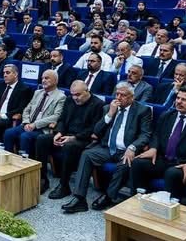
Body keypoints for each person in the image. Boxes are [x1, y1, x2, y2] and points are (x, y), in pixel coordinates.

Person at [63, 82, 153, 213]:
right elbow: (96, 131)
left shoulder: (142, 110)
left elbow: (145, 134)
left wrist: (133, 147)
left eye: (123, 95)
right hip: (107, 148)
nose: (119, 97)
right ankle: (79, 198)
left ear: (132, 97)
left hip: (126, 150)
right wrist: (110, 114)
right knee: (87, 155)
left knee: (125, 163)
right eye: (117, 94)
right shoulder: (108, 108)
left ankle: (108, 196)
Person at [130, 87, 186, 202]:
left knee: (171, 173)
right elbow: (156, 135)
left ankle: (169, 208)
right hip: (164, 160)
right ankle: (138, 200)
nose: (179, 102)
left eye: (184, 100)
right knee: (138, 163)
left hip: (184, 164)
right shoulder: (167, 115)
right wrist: (154, 148)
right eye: (178, 98)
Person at [37, 81, 105, 198]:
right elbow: (62, 119)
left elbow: (94, 128)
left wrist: (74, 138)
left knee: (69, 146)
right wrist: (59, 133)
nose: (75, 98)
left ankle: (64, 186)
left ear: (87, 91)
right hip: (66, 134)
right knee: (42, 139)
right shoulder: (69, 100)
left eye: (78, 95)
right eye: (73, 94)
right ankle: (42, 178)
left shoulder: (98, 104)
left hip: (84, 139)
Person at [3, 69, 65, 156]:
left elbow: (56, 116)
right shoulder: (38, 92)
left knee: (25, 136)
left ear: (55, 81)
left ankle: (26, 163)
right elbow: (27, 109)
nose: (43, 80)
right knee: (8, 133)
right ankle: (8, 159)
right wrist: (26, 122)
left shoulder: (61, 97)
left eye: (47, 78)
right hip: (28, 124)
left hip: (42, 128)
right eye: (42, 78)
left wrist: (35, 124)